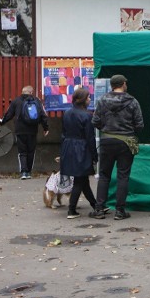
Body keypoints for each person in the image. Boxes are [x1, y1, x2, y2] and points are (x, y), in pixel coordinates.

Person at [90, 75, 144, 221]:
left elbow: (95, 121)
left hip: (107, 141)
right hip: (126, 141)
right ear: (123, 84)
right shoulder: (132, 101)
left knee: (104, 175)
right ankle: (120, 211)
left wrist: (106, 129)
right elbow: (139, 125)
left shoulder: (103, 100)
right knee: (123, 176)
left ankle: (99, 209)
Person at [60, 87, 98, 219]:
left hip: (68, 147)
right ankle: (71, 210)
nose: (89, 99)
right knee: (79, 180)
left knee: (82, 179)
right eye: (88, 97)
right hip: (81, 148)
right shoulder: (87, 115)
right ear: (82, 100)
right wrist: (94, 155)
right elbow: (90, 137)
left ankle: (96, 206)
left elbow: (63, 133)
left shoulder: (67, 113)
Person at [0, 84, 49, 179]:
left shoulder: (16, 101)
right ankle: (29, 172)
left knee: (22, 152)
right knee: (31, 151)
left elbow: (8, 114)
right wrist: (46, 128)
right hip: (33, 131)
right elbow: (43, 115)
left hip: (20, 131)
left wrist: (1, 122)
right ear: (31, 92)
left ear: (22, 92)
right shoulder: (36, 101)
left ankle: (24, 172)